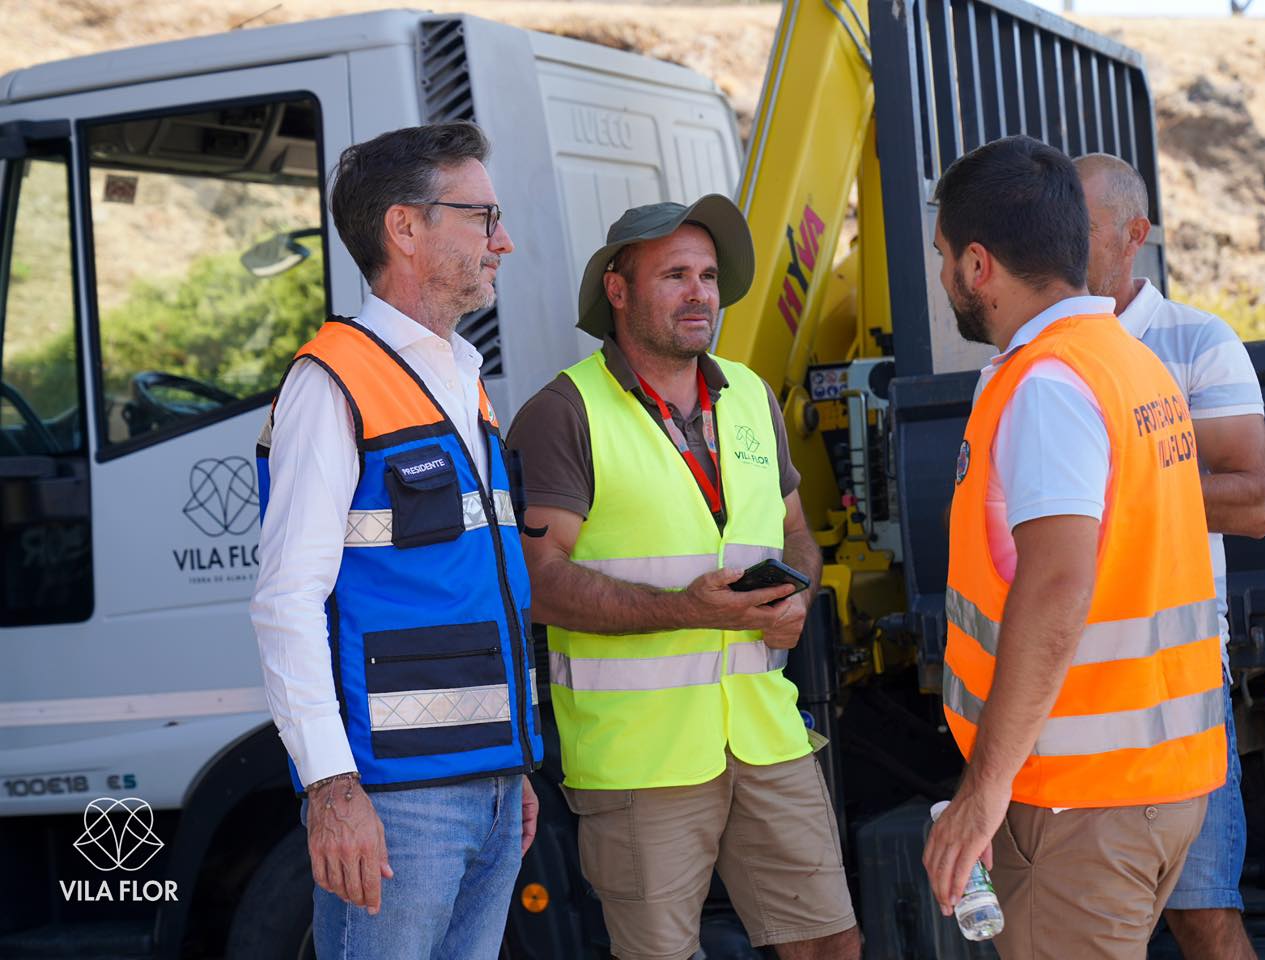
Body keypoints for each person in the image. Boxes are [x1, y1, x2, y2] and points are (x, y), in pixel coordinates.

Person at [506, 196, 859, 960]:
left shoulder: (751, 396)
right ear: (618, 290)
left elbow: (797, 534)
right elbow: (534, 582)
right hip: (642, 759)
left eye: (707, 275)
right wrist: (682, 610)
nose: (701, 292)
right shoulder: (563, 413)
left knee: (831, 943)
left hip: (768, 735)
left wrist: (793, 595)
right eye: (674, 275)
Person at [921, 135, 1226, 959]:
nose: (945, 273)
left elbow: (1057, 589)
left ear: (978, 266)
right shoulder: (1128, 364)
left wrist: (983, 792)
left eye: (945, 255)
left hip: (1078, 802)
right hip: (1148, 786)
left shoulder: (1049, 385)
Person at [250, 122, 542, 960]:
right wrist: (332, 787)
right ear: (405, 229)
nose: (505, 241)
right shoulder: (331, 382)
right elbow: (285, 601)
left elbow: (474, 587)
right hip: (394, 800)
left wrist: (509, 767)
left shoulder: (461, 376)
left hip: (486, 786)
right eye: (482, 217)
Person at [1078, 152, 1265, 960]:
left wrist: (1110, 485)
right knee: (1084, 929)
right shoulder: (1030, 356)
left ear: (1135, 237)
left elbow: (1251, 502)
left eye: (1076, 227)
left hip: (1174, 685)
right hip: (1073, 690)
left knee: (1201, 916)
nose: (1056, 242)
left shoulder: (1198, 340)